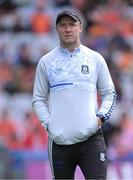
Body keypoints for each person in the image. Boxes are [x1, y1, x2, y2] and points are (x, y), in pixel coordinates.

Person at [32, 10, 116, 180]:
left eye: (72, 24)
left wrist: (101, 116)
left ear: (80, 28)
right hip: (60, 142)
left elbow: (109, 93)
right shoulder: (46, 62)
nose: (67, 29)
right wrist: (49, 124)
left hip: (91, 139)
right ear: (56, 29)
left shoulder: (95, 58)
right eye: (63, 25)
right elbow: (38, 99)